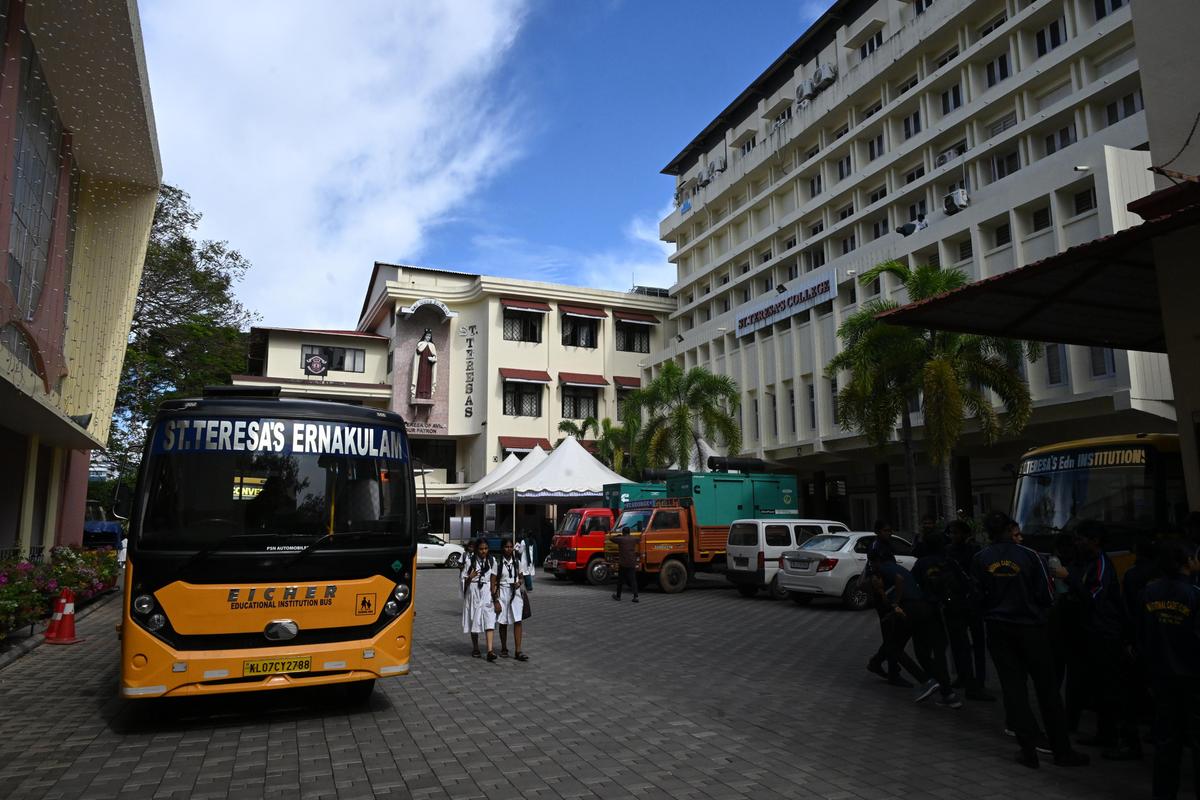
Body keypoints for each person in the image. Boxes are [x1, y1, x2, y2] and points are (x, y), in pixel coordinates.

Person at [973, 511, 1088, 769]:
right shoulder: (1030, 556)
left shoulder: (981, 559)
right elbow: (1047, 596)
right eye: (1016, 532)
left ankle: (1028, 751)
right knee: (1047, 689)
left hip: (998, 629)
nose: (1021, 536)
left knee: (1014, 691)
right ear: (1007, 532)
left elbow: (978, 596)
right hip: (1031, 629)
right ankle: (1062, 751)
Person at [1060, 520, 1141, 760]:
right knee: (1099, 688)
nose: (1077, 543)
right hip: (1091, 634)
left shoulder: (1102, 565)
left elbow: (1093, 597)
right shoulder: (1085, 563)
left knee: (1115, 689)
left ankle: (1129, 742)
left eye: (1081, 539)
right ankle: (1105, 734)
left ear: (1094, 541)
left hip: (1107, 635)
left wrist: (1069, 579)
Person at [1138, 539, 1200, 800]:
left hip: (1161, 675)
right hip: (1193, 679)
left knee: (1166, 741)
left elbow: (1143, 635)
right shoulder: (1194, 595)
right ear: (1187, 563)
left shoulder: (1149, 593)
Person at [874, 552, 962, 708]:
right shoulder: (900, 568)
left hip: (910, 610)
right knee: (923, 654)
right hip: (925, 609)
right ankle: (948, 693)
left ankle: (926, 681)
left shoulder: (883, 569)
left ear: (877, 561)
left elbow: (896, 582)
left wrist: (895, 604)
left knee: (893, 646)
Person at [913, 530, 994, 702]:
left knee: (941, 650)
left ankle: (946, 685)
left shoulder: (921, 564)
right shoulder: (949, 562)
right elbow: (966, 584)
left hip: (934, 611)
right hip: (955, 609)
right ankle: (968, 685)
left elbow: (914, 587)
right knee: (960, 647)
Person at [865, 520, 917, 687]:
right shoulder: (877, 548)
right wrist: (884, 596)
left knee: (893, 634)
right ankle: (892, 672)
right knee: (891, 634)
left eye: (890, 530)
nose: (889, 533)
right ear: (877, 531)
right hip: (884, 596)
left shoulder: (885, 545)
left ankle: (878, 662)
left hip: (890, 593)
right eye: (885, 530)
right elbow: (876, 574)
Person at [946, 520, 988, 693]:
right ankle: (963, 676)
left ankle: (979, 679)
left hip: (972, 602)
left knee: (977, 642)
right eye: (952, 533)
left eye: (957, 533)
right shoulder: (948, 551)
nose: (954, 536)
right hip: (956, 602)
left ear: (966, 534)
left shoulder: (975, 551)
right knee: (958, 642)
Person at [462, 538, 500, 661]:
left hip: (486, 591)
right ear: (476, 549)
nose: (483, 551)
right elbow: (463, 581)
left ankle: (490, 651)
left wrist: (494, 595)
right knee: (474, 619)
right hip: (473, 592)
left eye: (485, 549)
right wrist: (469, 577)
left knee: (489, 619)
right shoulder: (470, 562)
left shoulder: (492, 561)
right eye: (481, 549)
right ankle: (476, 647)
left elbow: (494, 578)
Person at [495, 538, 529, 661]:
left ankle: (518, 650)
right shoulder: (498, 563)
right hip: (503, 592)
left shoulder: (517, 562)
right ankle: (504, 648)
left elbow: (521, 578)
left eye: (510, 547)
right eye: (506, 547)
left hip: (515, 593)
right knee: (503, 622)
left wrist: (519, 583)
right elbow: (494, 582)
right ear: (502, 548)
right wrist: (496, 599)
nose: (509, 549)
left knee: (518, 620)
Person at [609, 526, 642, 602]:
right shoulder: (633, 539)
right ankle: (635, 597)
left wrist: (618, 535)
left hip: (623, 563)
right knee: (633, 580)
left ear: (623, 532)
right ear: (629, 532)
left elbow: (611, 539)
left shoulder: (620, 539)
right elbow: (639, 539)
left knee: (620, 581)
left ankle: (618, 596)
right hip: (631, 563)